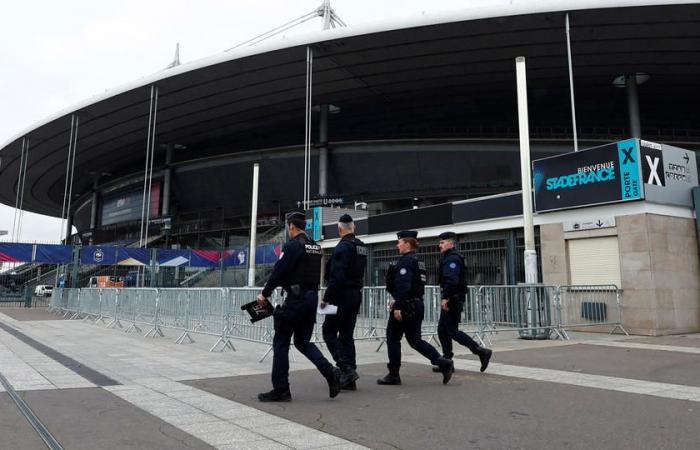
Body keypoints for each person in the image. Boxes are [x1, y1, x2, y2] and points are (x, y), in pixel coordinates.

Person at [256, 211, 341, 402]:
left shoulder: (293, 246)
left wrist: (264, 294)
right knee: (303, 341)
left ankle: (281, 389)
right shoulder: (315, 246)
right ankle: (331, 373)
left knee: (281, 341)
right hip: (310, 299)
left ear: (291, 226)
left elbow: (279, 271)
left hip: (296, 300)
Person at [377, 230, 454, 386]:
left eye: (399, 242)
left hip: (405, 306)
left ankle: (394, 374)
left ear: (407, 243)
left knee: (392, 337)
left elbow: (403, 286)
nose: (397, 245)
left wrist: (398, 306)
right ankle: (443, 362)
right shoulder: (418, 261)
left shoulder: (405, 261)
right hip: (416, 304)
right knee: (415, 340)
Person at [433, 231, 492, 373]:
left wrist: (446, 297)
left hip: (453, 298)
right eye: (439, 242)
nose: (439, 245)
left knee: (451, 331)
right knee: (442, 330)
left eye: (442, 242)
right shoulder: (448, 257)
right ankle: (447, 361)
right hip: (452, 297)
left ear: (451, 243)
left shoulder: (452, 258)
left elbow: (452, 280)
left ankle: (480, 351)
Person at [320, 214, 367, 391]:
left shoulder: (342, 247)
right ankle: (351, 375)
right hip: (355, 294)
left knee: (328, 332)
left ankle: (346, 370)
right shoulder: (361, 246)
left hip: (340, 296)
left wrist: (326, 299)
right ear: (353, 228)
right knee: (347, 334)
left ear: (340, 229)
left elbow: (337, 277)